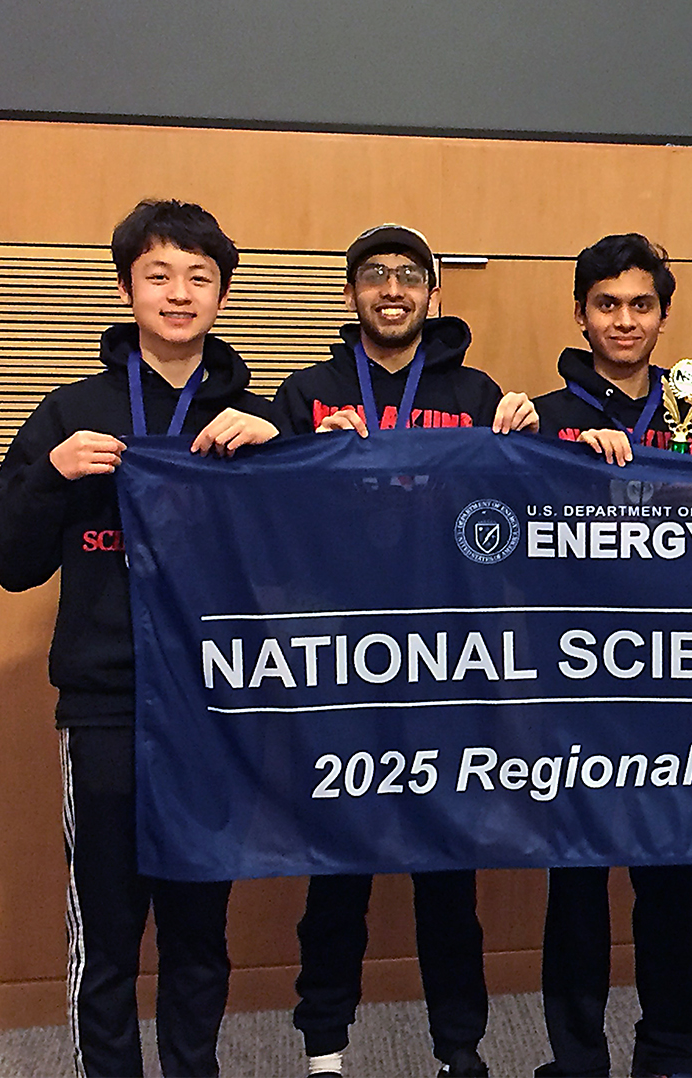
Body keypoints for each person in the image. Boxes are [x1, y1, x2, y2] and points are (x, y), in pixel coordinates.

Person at [0, 199, 279, 1076]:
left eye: (199, 276)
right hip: (108, 707)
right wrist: (50, 472)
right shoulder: (73, 411)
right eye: (159, 275)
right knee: (106, 935)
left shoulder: (255, 418)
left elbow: (313, 564)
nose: (179, 293)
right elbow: (7, 558)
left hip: (215, 708)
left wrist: (280, 458)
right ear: (128, 289)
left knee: (199, 932)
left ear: (222, 293)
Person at [271, 223, 537, 1078]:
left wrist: (524, 439)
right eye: (375, 275)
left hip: (447, 667)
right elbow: (266, 525)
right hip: (339, 668)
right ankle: (325, 1052)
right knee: (336, 871)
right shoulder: (304, 393)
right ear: (352, 293)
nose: (392, 289)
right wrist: (308, 455)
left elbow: (514, 527)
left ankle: (459, 1052)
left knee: (446, 878)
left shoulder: (478, 392)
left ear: (434, 292)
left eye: (409, 275)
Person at [529, 233, 692, 1078]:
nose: (624, 320)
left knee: (672, 889)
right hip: (571, 688)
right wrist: (562, 467)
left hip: (672, 691)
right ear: (580, 313)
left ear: (664, 316)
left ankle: (674, 1056)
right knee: (574, 892)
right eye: (606, 304)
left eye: (641, 305)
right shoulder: (540, 422)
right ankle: (577, 1061)